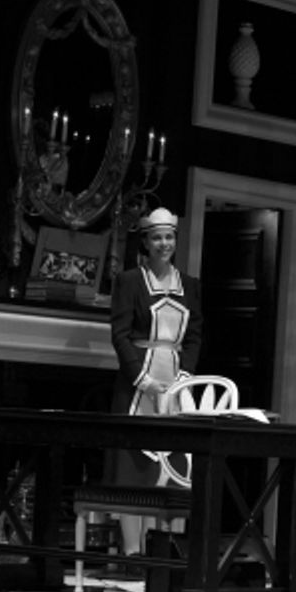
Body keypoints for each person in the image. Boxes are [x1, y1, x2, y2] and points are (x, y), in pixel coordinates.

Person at [108, 206, 203, 556]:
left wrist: (184, 377)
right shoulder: (130, 281)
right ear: (146, 242)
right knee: (133, 468)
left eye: (169, 237)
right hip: (137, 386)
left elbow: (194, 336)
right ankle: (133, 552)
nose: (164, 243)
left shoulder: (190, 286)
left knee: (173, 467)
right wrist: (142, 379)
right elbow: (119, 335)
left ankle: (161, 553)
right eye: (157, 237)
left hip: (175, 387)